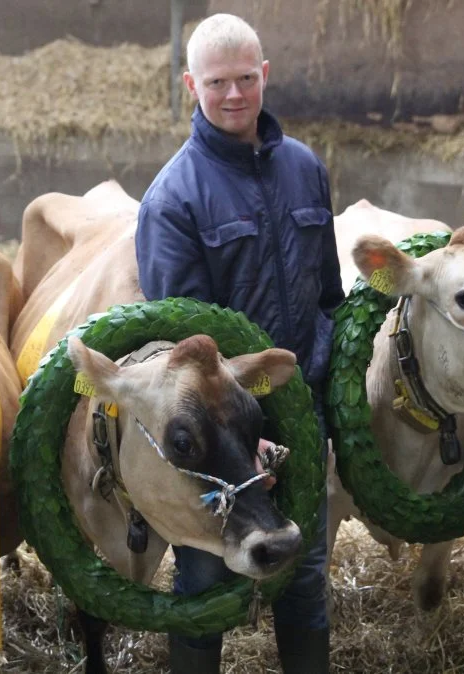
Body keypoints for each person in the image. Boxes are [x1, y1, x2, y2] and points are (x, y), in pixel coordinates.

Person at [134, 13, 343, 674]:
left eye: (245, 79)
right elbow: (184, 346)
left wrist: (327, 406)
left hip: (299, 409)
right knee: (203, 579)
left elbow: (329, 298)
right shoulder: (172, 199)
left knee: (305, 578)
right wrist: (235, 434)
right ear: (191, 83)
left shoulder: (305, 168)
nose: (233, 95)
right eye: (217, 82)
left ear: (265, 77)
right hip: (223, 434)